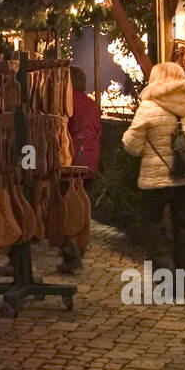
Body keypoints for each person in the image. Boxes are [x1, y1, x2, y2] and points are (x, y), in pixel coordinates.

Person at [120, 62, 185, 274]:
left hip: (156, 178)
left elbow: (132, 146)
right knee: (183, 226)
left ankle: (164, 265)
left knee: (150, 222)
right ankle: (182, 275)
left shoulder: (149, 106)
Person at [59, 66, 102, 274]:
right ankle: (79, 249)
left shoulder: (66, 103)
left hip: (71, 161)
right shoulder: (91, 103)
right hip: (90, 162)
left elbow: (63, 132)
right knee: (83, 207)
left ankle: (72, 255)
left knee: (66, 209)